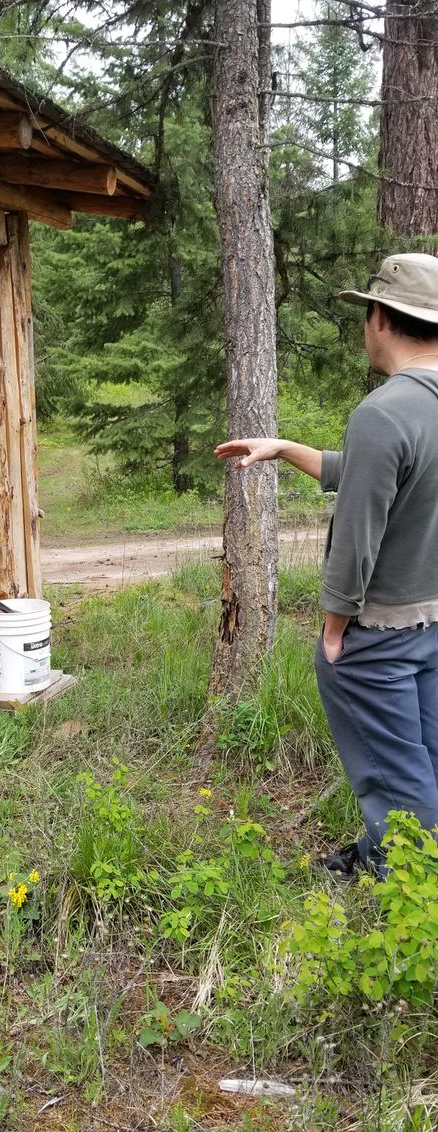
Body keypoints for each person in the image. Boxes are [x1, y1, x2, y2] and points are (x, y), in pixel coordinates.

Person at [215, 253, 438, 876]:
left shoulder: (384, 412)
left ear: (380, 319)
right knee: (427, 754)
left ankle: (412, 896)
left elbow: (359, 535)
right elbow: (386, 475)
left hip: (380, 635)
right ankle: (384, 857)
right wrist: (285, 447)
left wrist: (335, 629)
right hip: (431, 622)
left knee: (398, 775)